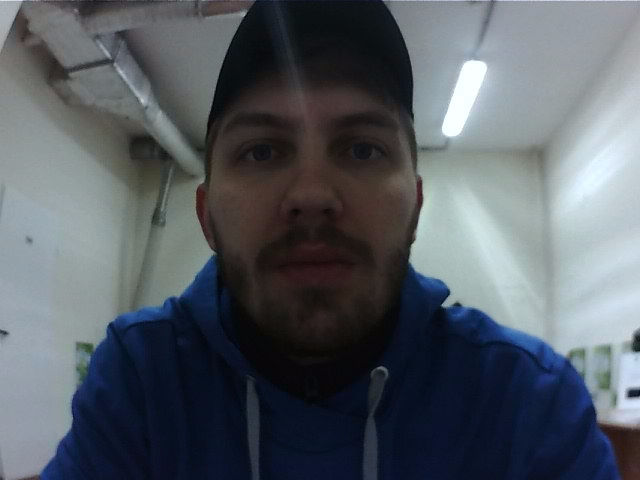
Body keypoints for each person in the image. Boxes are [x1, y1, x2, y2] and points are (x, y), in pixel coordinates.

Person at [42, 1, 619, 479]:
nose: (312, 194)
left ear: (415, 206)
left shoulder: (528, 400)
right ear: (206, 214)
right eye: (262, 151)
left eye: (362, 149)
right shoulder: (141, 380)